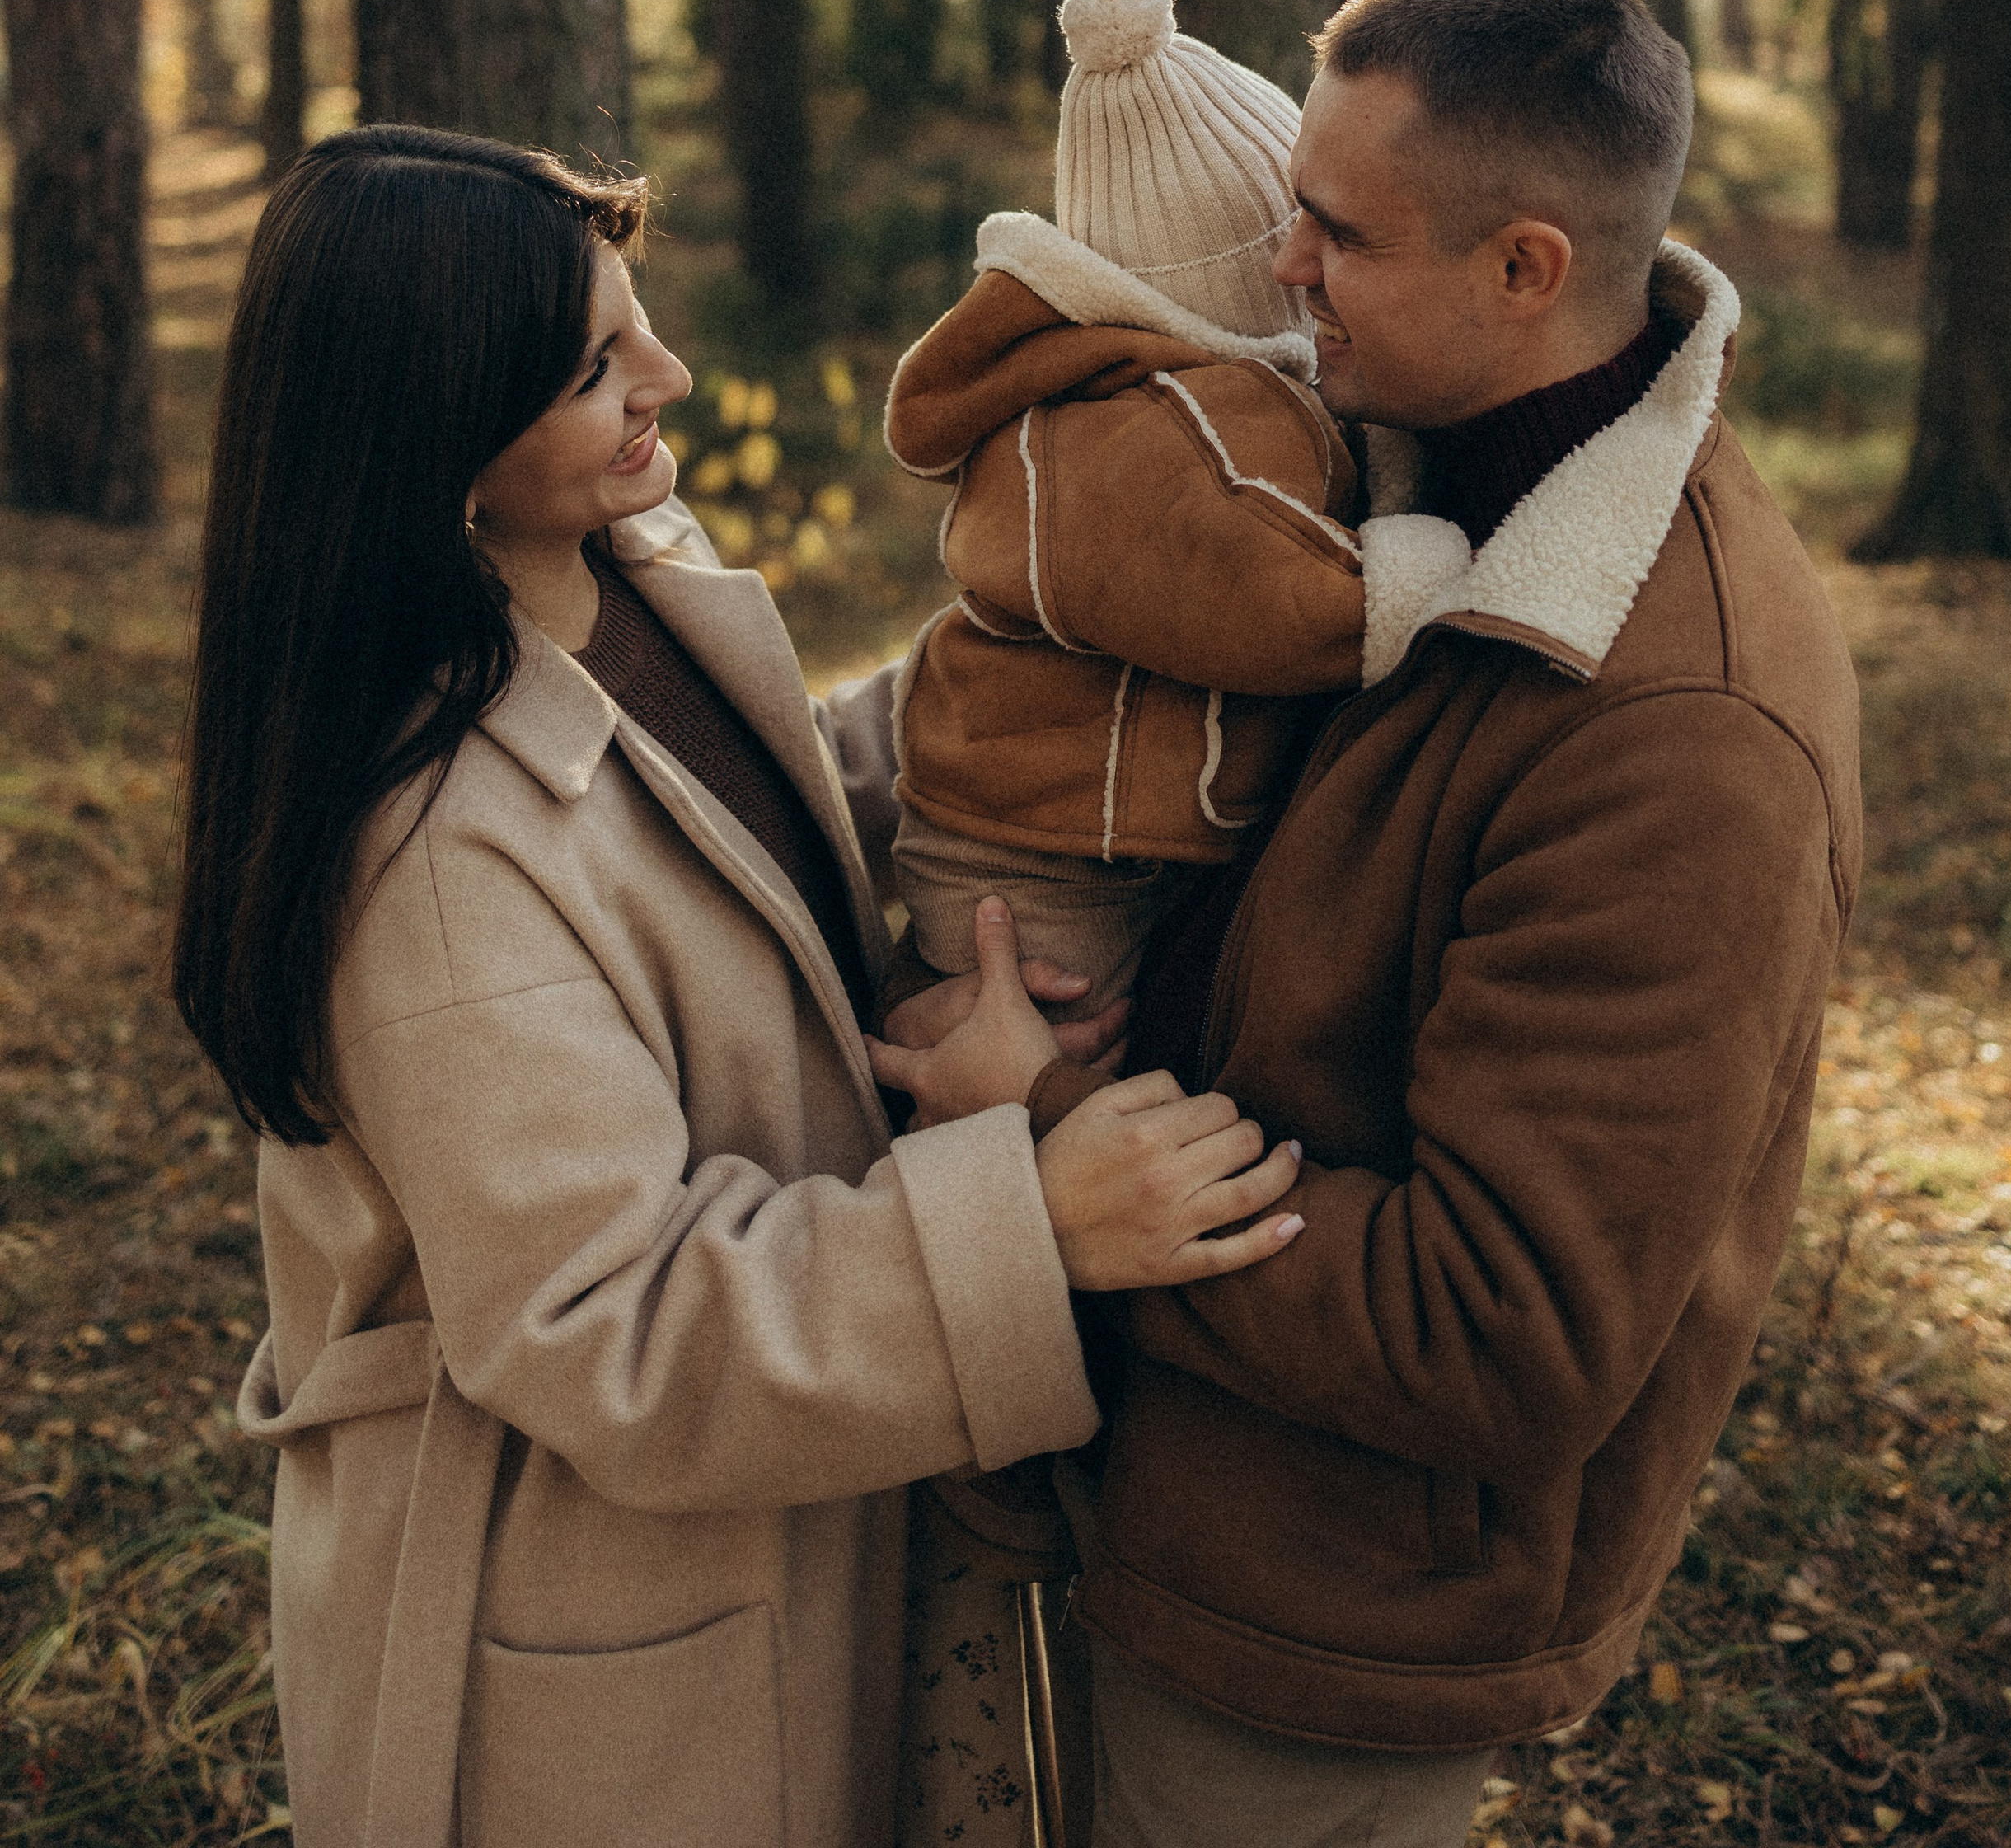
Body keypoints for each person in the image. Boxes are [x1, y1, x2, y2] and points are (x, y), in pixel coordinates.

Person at [171, 124, 1304, 1848]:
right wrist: (1031, 1218)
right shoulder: (427, 858)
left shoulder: (613, 579)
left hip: (778, 1541)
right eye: (591, 367)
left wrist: (1036, 677)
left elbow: (731, 816)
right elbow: (605, 1324)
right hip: (596, 1648)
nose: (667, 377)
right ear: (429, 434)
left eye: (637, 322)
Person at [875, 0, 1863, 1848]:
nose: (1280, 260)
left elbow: (1502, 1330)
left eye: (1335, 229)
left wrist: (1055, 1135)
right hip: (1165, 1505)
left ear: (1522, 269)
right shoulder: (1394, 468)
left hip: (1320, 1632)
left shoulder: (1676, 726)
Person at [884, 0, 1468, 1019]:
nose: (1306, 264)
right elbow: (1252, 586)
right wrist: (1425, 574)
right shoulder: (1144, 428)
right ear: (1240, 276)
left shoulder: (1173, 388)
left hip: (1091, 830)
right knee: (1047, 1074)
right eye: (1293, 237)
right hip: (1038, 868)